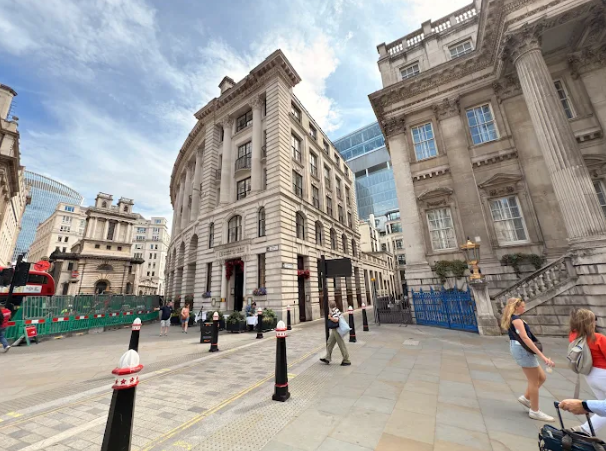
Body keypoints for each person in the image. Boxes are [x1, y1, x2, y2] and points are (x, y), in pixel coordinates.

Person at [501, 297, 555, 421]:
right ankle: (535, 411)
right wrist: (542, 357)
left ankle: (526, 398)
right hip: (522, 350)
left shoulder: (513, 319)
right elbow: (526, 339)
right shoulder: (517, 320)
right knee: (534, 381)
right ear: (516, 307)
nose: (524, 308)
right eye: (522, 306)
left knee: (542, 377)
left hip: (519, 349)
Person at [569, 308, 606, 433]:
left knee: (603, 407)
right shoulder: (599, 338)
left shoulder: (573, 337)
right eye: (594, 320)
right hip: (603, 374)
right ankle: (584, 429)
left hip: (590, 375)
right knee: (603, 407)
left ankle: (584, 430)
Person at [320, 301, 351, 366]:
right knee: (329, 343)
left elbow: (336, 320)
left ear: (329, 306)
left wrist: (330, 318)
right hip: (335, 330)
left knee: (341, 344)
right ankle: (327, 357)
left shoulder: (334, 311)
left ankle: (346, 359)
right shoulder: (336, 310)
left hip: (337, 330)